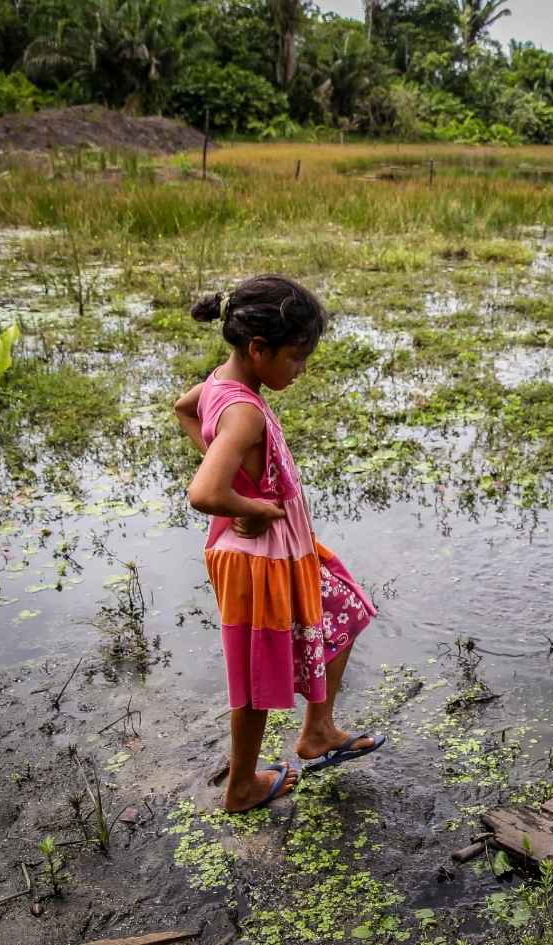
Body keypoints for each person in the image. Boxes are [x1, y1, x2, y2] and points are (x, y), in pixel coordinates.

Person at [175, 274, 384, 812]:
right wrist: (249, 504)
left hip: (284, 552)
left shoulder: (221, 385)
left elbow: (184, 407)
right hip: (255, 562)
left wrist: (241, 486)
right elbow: (204, 492)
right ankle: (241, 785)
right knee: (256, 673)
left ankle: (318, 731)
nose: (302, 368)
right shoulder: (243, 411)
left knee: (343, 606)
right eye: (296, 357)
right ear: (258, 347)